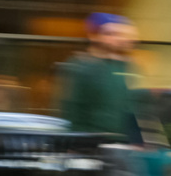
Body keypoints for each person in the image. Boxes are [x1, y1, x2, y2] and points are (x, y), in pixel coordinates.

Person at [59, 13, 142, 143]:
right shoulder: (80, 66)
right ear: (94, 36)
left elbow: (135, 108)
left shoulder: (129, 67)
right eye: (111, 34)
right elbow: (72, 111)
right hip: (90, 143)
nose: (120, 39)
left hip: (123, 145)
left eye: (123, 34)